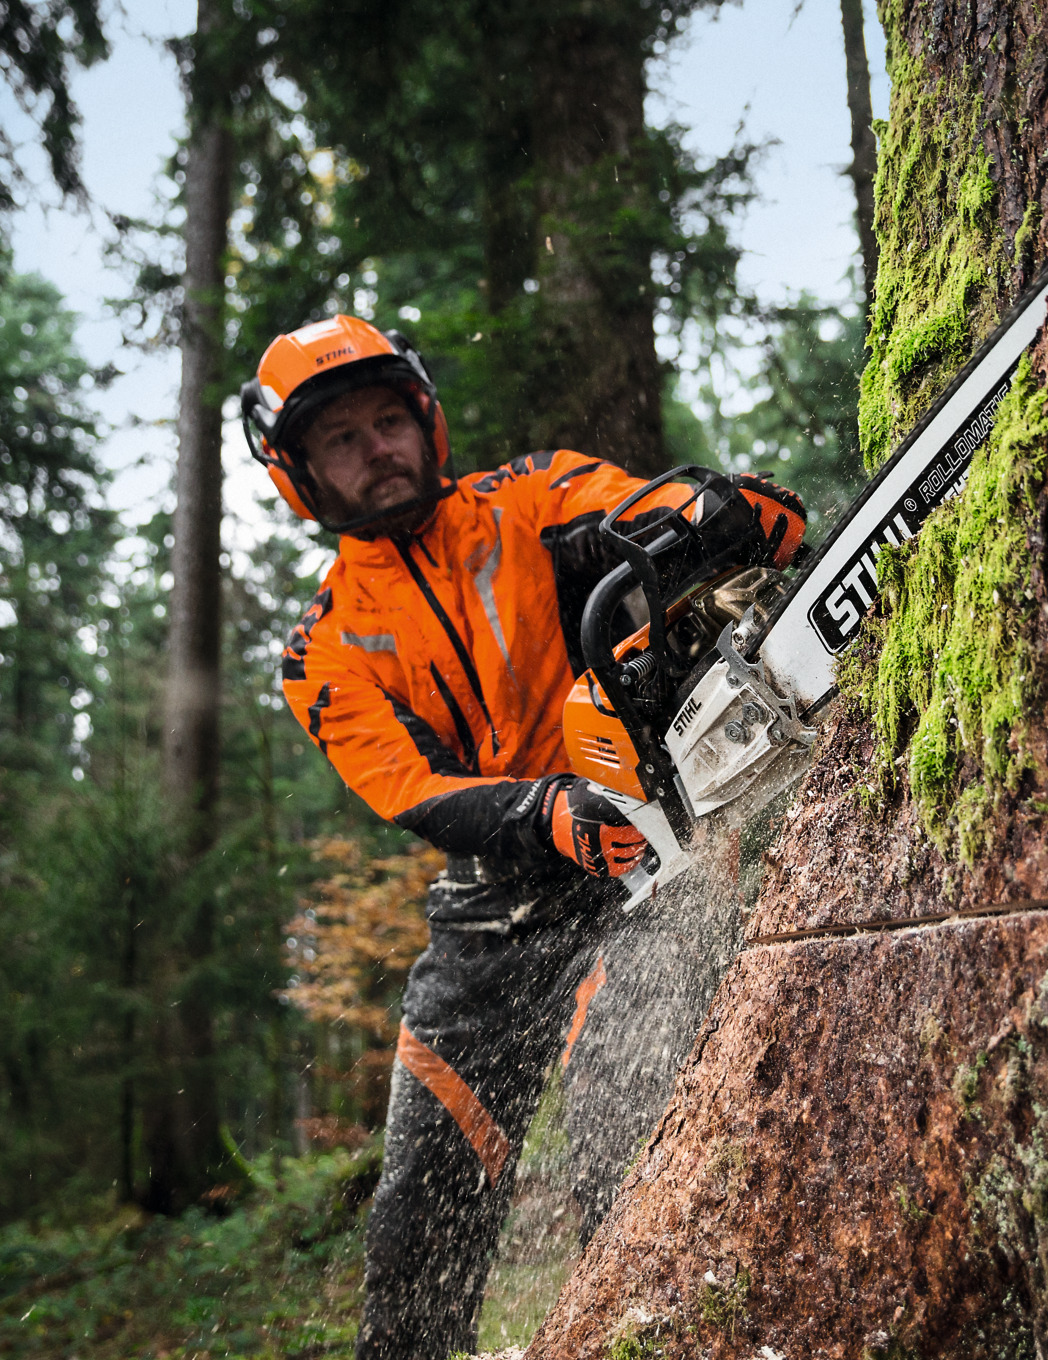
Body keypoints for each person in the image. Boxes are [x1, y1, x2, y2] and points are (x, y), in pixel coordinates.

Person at [239, 315, 806, 1360]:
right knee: (420, 1207)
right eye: (341, 440)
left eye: (386, 420)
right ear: (301, 476)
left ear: (425, 417)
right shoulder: (321, 646)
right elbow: (414, 789)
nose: (377, 450)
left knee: (622, 1125)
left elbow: (631, 512)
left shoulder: (527, 499)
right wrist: (544, 811)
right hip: (490, 906)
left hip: (640, 857)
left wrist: (712, 515)